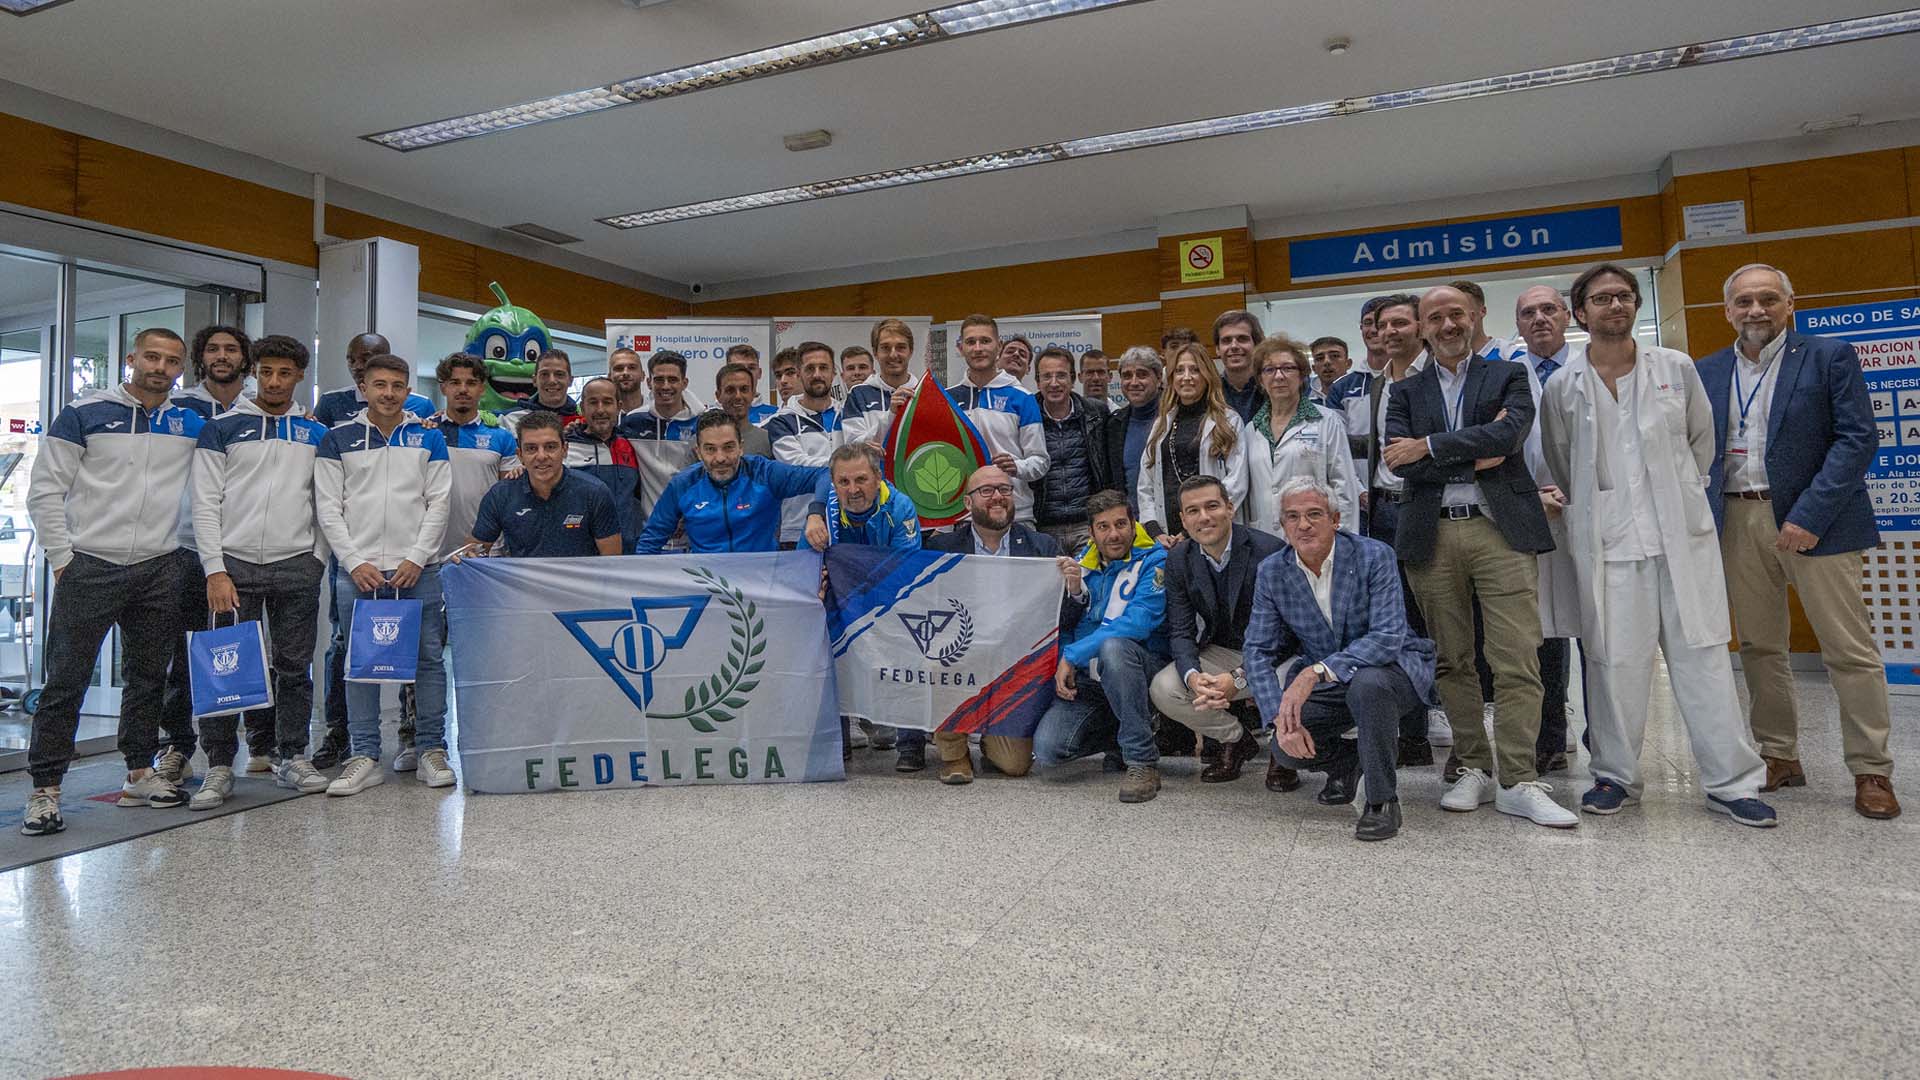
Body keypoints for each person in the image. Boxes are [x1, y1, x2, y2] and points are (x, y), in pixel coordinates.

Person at [1539, 263, 1775, 827]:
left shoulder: (1675, 368)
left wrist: (1677, 498)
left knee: (1704, 661)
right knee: (1613, 667)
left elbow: (1701, 443)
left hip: (1680, 540)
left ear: (1635, 305)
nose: (1615, 305)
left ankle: (1732, 783)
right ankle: (1615, 776)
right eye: (1602, 298)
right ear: (1581, 312)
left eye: (1624, 296)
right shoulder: (1562, 385)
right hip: (1610, 545)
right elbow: (1561, 458)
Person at [1700, 263, 1898, 819]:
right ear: (1728, 311)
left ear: (1790, 304)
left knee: (1847, 650)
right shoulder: (1707, 370)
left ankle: (1871, 769)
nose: (1756, 310)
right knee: (1759, 646)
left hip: (1817, 522)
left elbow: (1857, 439)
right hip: (1738, 519)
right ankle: (1778, 754)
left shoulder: (1829, 356)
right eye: (1744, 301)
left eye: (1768, 299)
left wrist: (1809, 514)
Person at [1382, 285, 1573, 828]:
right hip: (1432, 534)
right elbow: (1399, 461)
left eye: (1456, 315)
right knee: (1452, 658)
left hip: (1500, 532)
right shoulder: (1404, 391)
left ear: (1475, 317)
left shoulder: (1508, 374)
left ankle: (1518, 778)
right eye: (1435, 317)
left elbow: (1508, 436)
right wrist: (1473, 453)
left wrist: (1431, 445)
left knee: (1517, 657)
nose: (1447, 325)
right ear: (1423, 327)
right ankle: (1473, 767)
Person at [20, 328, 205, 836]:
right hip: (91, 564)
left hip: (159, 566)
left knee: (148, 678)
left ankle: (139, 773)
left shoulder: (190, 421)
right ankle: (45, 789)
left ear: (180, 369)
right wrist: (63, 558)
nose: (160, 368)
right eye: (152, 357)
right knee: (67, 680)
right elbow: (45, 490)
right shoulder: (84, 413)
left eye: (171, 361)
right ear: (131, 359)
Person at [1243, 477, 1436, 842]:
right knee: (1284, 748)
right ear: (1282, 525)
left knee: (1368, 684)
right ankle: (1349, 764)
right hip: (1332, 682)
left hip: (1392, 670)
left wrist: (1315, 672)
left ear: (1335, 519)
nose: (1303, 525)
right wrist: (1277, 717)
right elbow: (1257, 650)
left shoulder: (1374, 555)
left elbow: (1387, 636)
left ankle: (1382, 801)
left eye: (1314, 514)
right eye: (1293, 517)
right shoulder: (1272, 571)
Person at [187, 334, 333, 807]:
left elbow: (327, 502)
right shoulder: (222, 428)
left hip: (296, 566)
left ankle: (291, 755)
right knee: (225, 668)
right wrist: (214, 569)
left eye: (284, 373)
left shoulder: (315, 434)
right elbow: (204, 503)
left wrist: (317, 557)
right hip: (233, 567)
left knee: (294, 668)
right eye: (266, 372)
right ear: (254, 373)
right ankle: (219, 765)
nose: (274, 382)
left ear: (299, 377)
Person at [314, 354, 455, 796]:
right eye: (380, 385)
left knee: (428, 660)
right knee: (360, 664)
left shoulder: (428, 438)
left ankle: (431, 749)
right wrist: (354, 561)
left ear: (408, 390)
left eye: (397, 386)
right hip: (359, 573)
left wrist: (417, 557)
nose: (389, 393)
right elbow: (328, 507)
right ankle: (365, 755)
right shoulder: (337, 438)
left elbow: (439, 503)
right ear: (364, 388)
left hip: (419, 570)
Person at [919, 465, 1076, 780]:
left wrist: (1074, 590)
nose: (997, 497)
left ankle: (990, 740)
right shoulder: (942, 549)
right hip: (961, 654)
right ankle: (954, 755)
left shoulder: (1041, 547)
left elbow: (1061, 619)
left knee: (1015, 765)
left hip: (1015, 664)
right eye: (986, 491)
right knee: (938, 659)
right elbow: (925, 610)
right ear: (968, 503)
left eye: (1004, 489)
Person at [153, 323, 258, 784]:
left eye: (231, 349)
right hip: (186, 547)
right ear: (200, 358)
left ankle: (255, 745)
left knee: (244, 652)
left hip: (242, 549)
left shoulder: (260, 408)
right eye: (212, 348)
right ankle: (178, 746)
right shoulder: (179, 408)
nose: (221, 356)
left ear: (244, 359)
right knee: (184, 652)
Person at [1146, 476, 1290, 787]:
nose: (1204, 517)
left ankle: (1284, 749)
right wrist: (1193, 677)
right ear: (1183, 519)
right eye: (1193, 511)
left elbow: (1288, 636)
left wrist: (1239, 677)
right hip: (1224, 650)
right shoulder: (1179, 559)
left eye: (1212, 506)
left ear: (1230, 508)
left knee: (1292, 680)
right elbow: (1181, 631)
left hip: (1278, 655)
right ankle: (1236, 739)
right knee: (1165, 687)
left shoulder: (1270, 551)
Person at [1354, 294, 1447, 763]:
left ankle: (1442, 716)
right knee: (1395, 622)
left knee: (1438, 619)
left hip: (1427, 509)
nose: (1388, 332)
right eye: (1380, 324)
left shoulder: (1440, 376)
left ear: (1421, 327)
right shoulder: (1377, 384)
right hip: (1382, 514)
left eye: (1399, 323)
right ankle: (1410, 731)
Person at [1032, 490, 1168, 802]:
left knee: (1114, 648)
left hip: (1141, 670)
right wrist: (1066, 658)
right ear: (1092, 533)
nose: (1114, 534)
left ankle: (1142, 761)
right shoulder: (1083, 564)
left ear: (1133, 524)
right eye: (1103, 527)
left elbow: (1137, 623)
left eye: (1120, 524)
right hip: (1091, 681)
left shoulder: (1155, 560)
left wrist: (1073, 654)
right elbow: (1068, 625)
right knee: (1049, 750)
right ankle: (1123, 733)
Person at [803, 443, 920, 758]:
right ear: (833, 483)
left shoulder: (900, 507)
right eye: (843, 482)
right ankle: (837, 744)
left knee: (913, 643)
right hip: (840, 607)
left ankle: (911, 745)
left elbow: (905, 569)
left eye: (861, 480)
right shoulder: (821, 517)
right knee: (818, 633)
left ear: (878, 477)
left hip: (890, 602)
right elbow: (805, 570)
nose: (853, 490)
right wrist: (816, 584)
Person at [1511, 285, 1584, 774]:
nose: (1539, 318)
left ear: (1567, 316)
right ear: (1518, 324)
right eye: (1528, 313)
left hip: (1590, 509)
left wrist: (1574, 491)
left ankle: (1607, 741)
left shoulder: (1589, 366)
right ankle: (1550, 737)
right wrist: (1532, 495)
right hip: (1531, 510)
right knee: (1542, 634)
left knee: (1599, 632)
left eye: (1548, 309)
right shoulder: (1508, 374)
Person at [635, 411, 828, 554]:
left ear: (741, 447)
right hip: (707, 583)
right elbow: (650, 541)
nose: (720, 458)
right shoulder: (683, 484)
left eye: (728, 447)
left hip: (762, 580)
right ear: (698, 452)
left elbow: (826, 475)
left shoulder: (765, 473)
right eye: (710, 449)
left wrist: (816, 514)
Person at [459, 411, 623, 559]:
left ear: (565, 450)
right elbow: (473, 552)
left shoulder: (594, 493)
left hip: (580, 584)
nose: (541, 456)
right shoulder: (501, 495)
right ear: (520, 455)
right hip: (522, 583)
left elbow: (612, 562)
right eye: (531, 448)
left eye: (550, 447)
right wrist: (465, 557)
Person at [1243, 335, 1362, 530]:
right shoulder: (1251, 430)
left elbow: (1344, 486)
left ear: (1302, 375)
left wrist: (1345, 538)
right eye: (1269, 369)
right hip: (1264, 534)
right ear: (1261, 380)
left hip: (1314, 531)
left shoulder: (1326, 421)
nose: (1279, 376)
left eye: (1288, 368)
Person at [1136, 342, 1246, 541]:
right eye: (1179, 370)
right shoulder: (1162, 424)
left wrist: (1190, 531)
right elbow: (1146, 484)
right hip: (1167, 537)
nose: (1186, 377)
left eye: (1195, 370)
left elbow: (1236, 483)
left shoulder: (1228, 421)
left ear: (1207, 376)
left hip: (1211, 529)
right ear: (1171, 378)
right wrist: (1155, 531)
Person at [949, 315, 1049, 522]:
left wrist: (1017, 466)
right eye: (971, 342)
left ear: (999, 346)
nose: (978, 348)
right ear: (961, 348)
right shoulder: (948, 398)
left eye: (985, 341)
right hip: (964, 517)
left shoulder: (1022, 398)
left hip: (1015, 515)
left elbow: (1040, 461)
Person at [1031, 345, 1116, 552]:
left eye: (1061, 375)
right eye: (1047, 376)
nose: (1054, 383)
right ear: (1037, 382)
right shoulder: (1027, 415)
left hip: (1087, 525)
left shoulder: (1096, 413)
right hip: (1043, 527)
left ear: (1072, 379)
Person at [764, 342, 841, 548]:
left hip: (845, 525)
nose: (817, 374)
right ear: (799, 374)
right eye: (810, 368)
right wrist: (846, 466)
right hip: (798, 528)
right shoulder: (781, 421)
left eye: (823, 368)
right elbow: (797, 466)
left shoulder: (847, 413)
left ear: (834, 373)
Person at [618, 350, 700, 542]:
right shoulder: (632, 422)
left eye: (673, 379)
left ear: (684, 383)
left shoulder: (701, 423)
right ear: (648, 382)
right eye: (659, 379)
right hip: (649, 532)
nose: (665, 386)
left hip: (692, 529)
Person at [564, 377, 644, 551]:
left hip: (630, 550)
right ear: (582, 407)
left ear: (618, 406)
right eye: (593, 402)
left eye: (607, 402)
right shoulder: (565, 449)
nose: (600, 410)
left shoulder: (632, 444)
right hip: (581, 553)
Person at [312, 332, 433, 425]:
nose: (356, 367)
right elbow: (317, 442)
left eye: (365, 359)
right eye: (351, 360)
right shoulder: (331, 401)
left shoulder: (421, 405)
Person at [840, 318, 921, 447]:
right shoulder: (858, 395)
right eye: (885, 348)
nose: (893, 355)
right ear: (875, 352)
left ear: (910, 351)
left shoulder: (924, 393)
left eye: (900, 347)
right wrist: (891, 416)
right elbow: (853, 448)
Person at [1104, 346, 1162, 506]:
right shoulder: (1115, 425)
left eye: (1142, 374)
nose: (1134, 382)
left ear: (1158, 377)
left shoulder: (1175, 416)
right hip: (1132, 517)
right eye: (1127, 376)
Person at [503, 349, 579, 433]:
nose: (552, 381)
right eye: (544, 374)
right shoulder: (511, 421)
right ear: (534, 380)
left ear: (570, 381)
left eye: (559, 374)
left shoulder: (583, 422)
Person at [1212, 309, 1265, 423]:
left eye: (1242, 339)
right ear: (1217, 349)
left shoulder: (1272, 387)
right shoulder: (1210, 392)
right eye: (1226, 340)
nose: (1234, 346)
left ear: (1257, 345)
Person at [714, 363, 774, 457]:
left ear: (753, 394)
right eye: (730, 390)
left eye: (744, 389)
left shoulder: (768, 441)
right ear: (718, 396)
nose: (738, 396)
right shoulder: (703, 441)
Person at [1448, 280, 1515, 361]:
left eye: (1458, 313)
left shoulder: (1511, 356)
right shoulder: (1440, 361)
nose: (1450, 323)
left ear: (1482, 311)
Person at [723, 343, 778, 424]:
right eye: (739, 368)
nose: (746, 373)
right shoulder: (712, 416)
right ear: (726, 373)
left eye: (751, 368)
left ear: (759, 373)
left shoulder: (777, 415)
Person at [1308, 336, 1350, 401]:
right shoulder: (1302, 398)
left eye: (1335, 356)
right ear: (1314, 368)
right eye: (1320, 358)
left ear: (1348, 364)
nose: (1327, 362)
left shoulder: (1361, 395)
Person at [608, 347, 647, 415]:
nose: (625, 373)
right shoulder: (604, 414)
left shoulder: (656, 411)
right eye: (619, 368)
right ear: (609, 377)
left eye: (632, 368)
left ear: (642, 375)